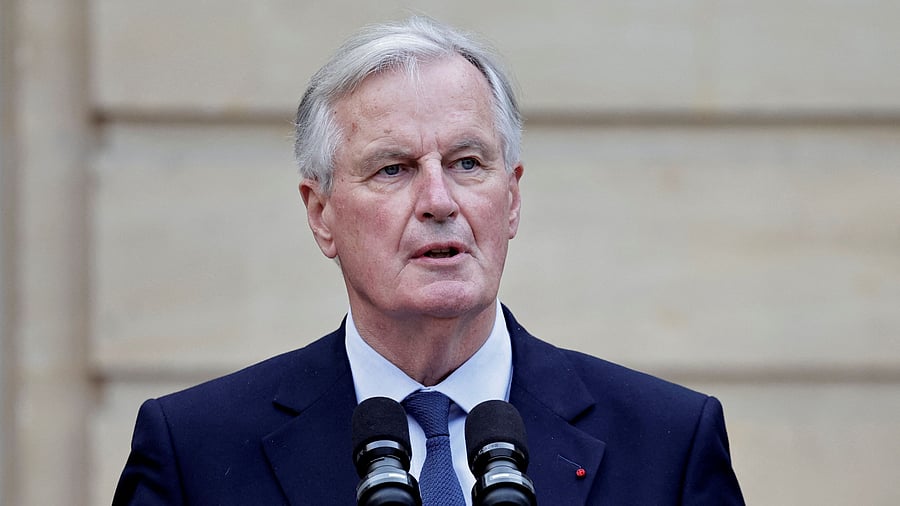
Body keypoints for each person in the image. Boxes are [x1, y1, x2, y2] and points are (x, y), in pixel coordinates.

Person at [113, 16, 744, 505]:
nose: (439, 201)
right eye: (394, 169)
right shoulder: (195, 451)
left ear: (512, 198)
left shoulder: (668, 443)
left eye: (468, 163)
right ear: (321, 214)